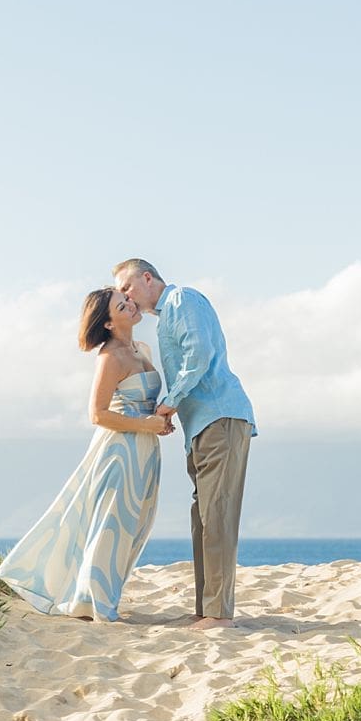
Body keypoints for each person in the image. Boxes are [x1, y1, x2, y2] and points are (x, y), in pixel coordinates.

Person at [0, 288, 172, 622]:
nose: (131, 304)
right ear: (108, 323)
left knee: (135, 524)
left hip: (146, 450)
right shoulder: (110, 358)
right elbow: (97, 414)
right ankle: (92, 603)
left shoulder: (141, 349)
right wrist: (144, 424)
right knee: (111, 524)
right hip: (120, 451)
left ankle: (103, 596)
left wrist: (159, 421)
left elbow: (143, 404)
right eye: (122, 305)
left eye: (127, 299)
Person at [113, 259, 256, 630]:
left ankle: (219, 615)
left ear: (147, 278)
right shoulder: (166, 318)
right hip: (201, 427)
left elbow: (199, 356)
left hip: (221, 417)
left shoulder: (182, 299)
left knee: (217, 517)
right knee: (203, 519)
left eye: (127, 287)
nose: (125, 296)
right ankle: (206, 609)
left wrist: (170, 402)